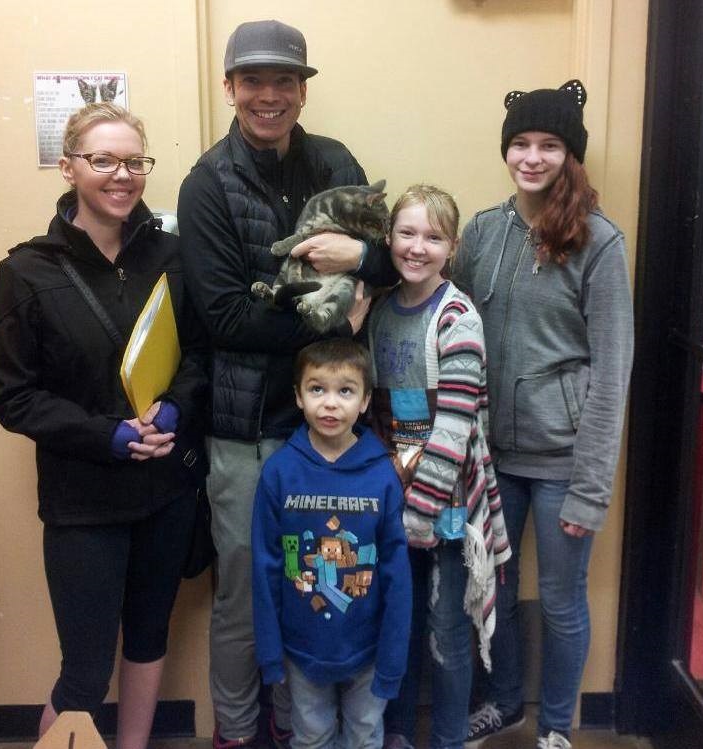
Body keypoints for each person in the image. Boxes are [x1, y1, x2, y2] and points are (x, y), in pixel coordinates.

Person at [177, 19, 396, 749]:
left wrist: (358, 257)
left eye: (284, 81)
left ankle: (295, 726)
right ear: (230, 88)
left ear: (303, 91)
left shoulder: (334, 160)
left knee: (318, 587)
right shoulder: (207, 182)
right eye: (253, 80)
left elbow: (395, 261)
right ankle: (238, 734)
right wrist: (333, 320)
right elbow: (224, 317)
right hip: (246, 432)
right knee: (245, 596)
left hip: (331, 429)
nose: (268, 95)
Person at [0, 103, 207, 748]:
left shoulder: (171, 256)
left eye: (134, 162)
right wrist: (107, 435)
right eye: (103, 160)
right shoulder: (25, 272)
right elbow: (13, 396)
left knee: (148, 639)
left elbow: (198, 355)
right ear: (68, 168)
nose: (122, 175)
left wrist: (175, 408)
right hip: (82, 501)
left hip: (165, 492)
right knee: (84, 671)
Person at [454, 81, 634, 749]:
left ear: (570, 154)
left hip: (562, 463)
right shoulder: (483, 230)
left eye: (549, 145)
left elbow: (612, 373)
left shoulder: (600, 242)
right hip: (491, 458)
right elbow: (451, 323)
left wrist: (591, 488)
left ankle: (556, 726)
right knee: (492, 592)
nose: (532, 158)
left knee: (560, 600)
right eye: (521, 144)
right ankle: (504, 704)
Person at [366, 185, 511, 749]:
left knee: (448, 631)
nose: (417, 247)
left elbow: (454, 428)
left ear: (452, 248)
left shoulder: (457, 317)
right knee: (398, 624)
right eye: (407, 232)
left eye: (433, 237)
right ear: (388, 238)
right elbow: (372, 414)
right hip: (394, 495)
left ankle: (448, 738)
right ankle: (398, 733)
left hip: (447, 507)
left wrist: (422, 511)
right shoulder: (379, 312)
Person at [251, 338, 411, 749]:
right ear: (298, 396)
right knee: (311, 738)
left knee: (364, 738)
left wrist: (393, 656)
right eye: (317, 389)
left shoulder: (382, 475)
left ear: (365, 401)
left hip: (368, 648)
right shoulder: (279, 473)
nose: (330, 404)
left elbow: (397, 574)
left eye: (346, 391)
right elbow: (265, 567)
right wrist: (270, 652)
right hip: (301, 648)